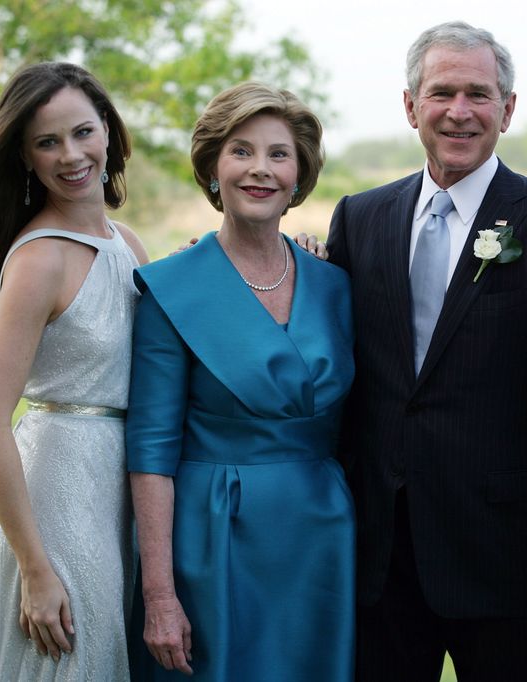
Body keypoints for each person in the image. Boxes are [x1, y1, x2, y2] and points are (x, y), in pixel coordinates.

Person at [325, 21, 527, 681]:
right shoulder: (358, 219)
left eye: (479, 94)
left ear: (507, 108)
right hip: (382, 554)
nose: (459, 111)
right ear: (411, 105)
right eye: (442, 92)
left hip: (503, 553)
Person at [125, 82, 355, 682]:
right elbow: (150, 452)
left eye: (279, 154)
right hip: (213, 535)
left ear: (300, 173)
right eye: (241, 151)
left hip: (321, 535)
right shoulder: (172, 288)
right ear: (213, 168)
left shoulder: (333, 281)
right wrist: (159, 595)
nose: (261, 170)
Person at [0, 61, 148, 681]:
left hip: (121, 487)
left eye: (83, 132)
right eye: (47, 142)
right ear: (26, 157)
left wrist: (293, 250)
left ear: (108, 133)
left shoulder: (127, 243)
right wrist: (35, 569)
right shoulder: (40, 260)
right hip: (57, 494)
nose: (71, 155)